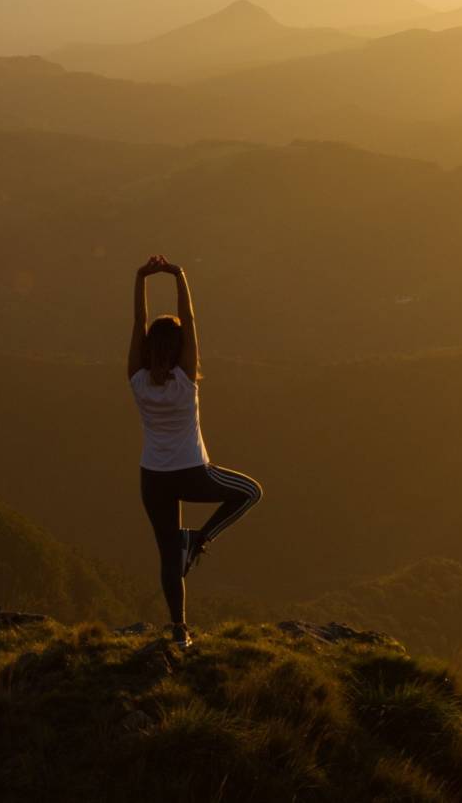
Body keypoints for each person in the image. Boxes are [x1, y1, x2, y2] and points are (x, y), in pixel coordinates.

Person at [128, 255, 263, 648]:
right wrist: (178, 275)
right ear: (181, 347)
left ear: (150, 346)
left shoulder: (136, 380)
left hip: (152, 478)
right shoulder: (186, 379)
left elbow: (139, 323)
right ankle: (201, 540)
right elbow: (191, 319)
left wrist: (141, 279)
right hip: (191, 472)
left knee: (168, 557)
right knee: (251, 492)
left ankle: (178, 630)